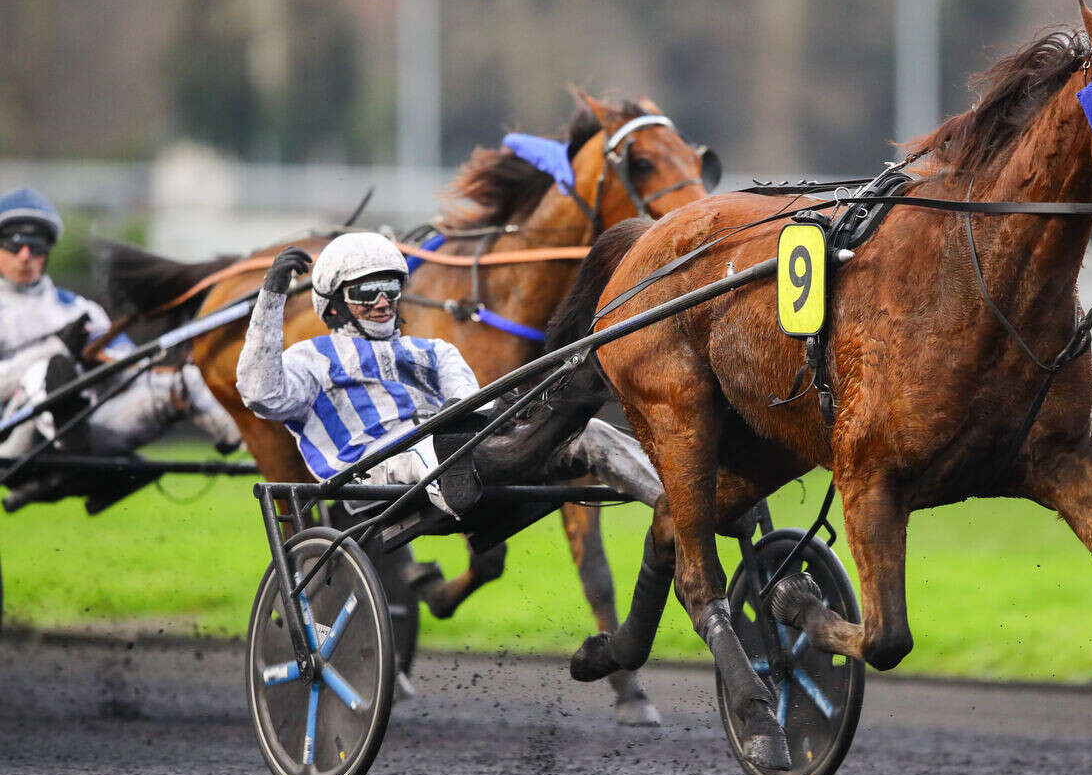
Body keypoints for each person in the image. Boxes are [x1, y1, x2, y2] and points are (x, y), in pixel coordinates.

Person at [236, 231, 660, 519]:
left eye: (390, 288)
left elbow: (472, 408)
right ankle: (453, 467)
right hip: (371, 474)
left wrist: (523, 408)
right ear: (333, 305)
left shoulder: (434, 351)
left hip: (465, 449)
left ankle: (675, 503)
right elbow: (262, 395)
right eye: (366, 292)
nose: (383, 302)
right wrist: (271, 298)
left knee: (589, 433)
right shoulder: (311, 357)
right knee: (436, 444)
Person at [0, 187, 243, 511]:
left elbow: (128, 371)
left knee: (184, 378)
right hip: (18, 443)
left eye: (36, 245)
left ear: (48, 251)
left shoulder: (79, 310)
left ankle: (249, 446)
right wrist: (56, 348)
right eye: (15, 245)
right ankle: (67, 438)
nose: (25, 255)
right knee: (50, 368)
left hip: (91, 428)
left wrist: (133, 363)